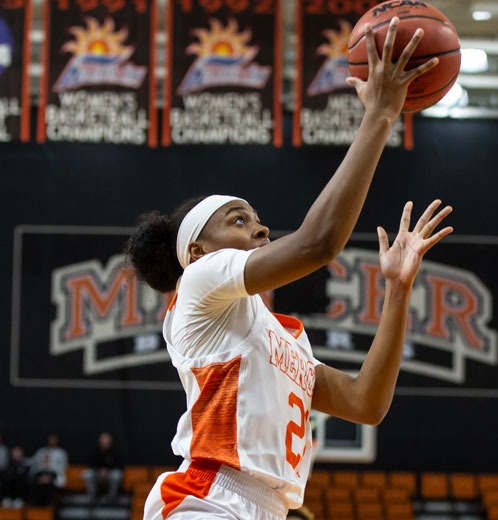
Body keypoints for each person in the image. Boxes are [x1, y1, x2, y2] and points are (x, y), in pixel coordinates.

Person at [125, 18, 451, 520]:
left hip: (269, 508)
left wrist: (397, 288)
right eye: (238, 220)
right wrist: (380, 116)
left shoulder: (287, 338)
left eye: (258, 220)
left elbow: (367, 404)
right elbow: (317, 244)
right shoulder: (199, 282)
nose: (260, 230)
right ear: (196, 250)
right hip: (207, 498)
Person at [81, 433, 122, 503]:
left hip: (109, 474)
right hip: (97, 473)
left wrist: (107, 470)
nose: (105, 444)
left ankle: (111, 496)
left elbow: (119, 466)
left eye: (107, 443)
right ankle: (93, 495)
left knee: (117, 475)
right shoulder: (94, 451)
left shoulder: (115, 452)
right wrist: (99, 470)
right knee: (86, 474)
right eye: (103, 443)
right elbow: (90, 464)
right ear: (100, 442)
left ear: (110, 443)